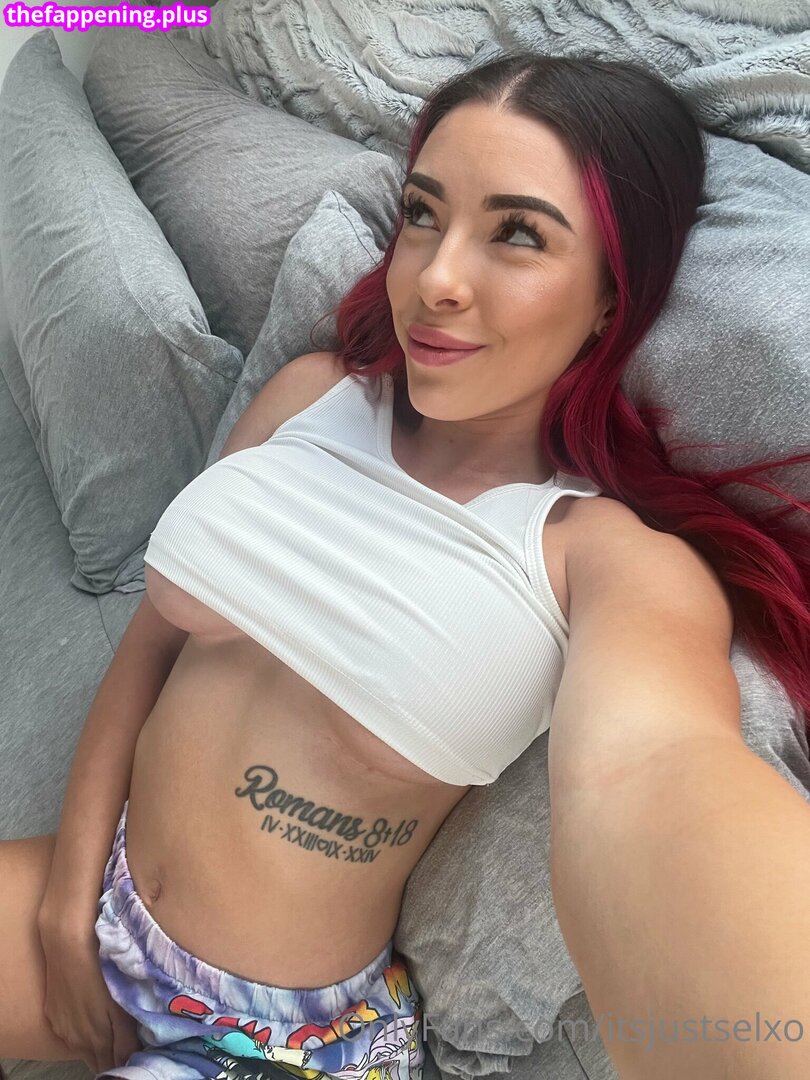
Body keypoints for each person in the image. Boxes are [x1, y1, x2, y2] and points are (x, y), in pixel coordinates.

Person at [2, 49, 809, 1080]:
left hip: (290, 1038)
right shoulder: (309, 396)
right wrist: (69, 906)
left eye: (518, 233)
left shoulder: (600, 557)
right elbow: (155, 646)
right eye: (424, 214)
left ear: (613, 295)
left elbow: (653, 774)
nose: (434, 279)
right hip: (103, 899)